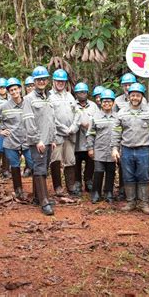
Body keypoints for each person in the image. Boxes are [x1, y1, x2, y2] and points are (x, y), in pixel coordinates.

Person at [111, 83, 149, 215]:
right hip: (126, 149)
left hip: (143, 149)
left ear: (142, 96)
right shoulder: (121, 113)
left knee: (143, 175)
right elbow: (116, 132)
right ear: (129, 96)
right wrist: (115, 148)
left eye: (138, 95)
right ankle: (131, 202)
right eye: (132, 95)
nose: (135, 98)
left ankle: (143, 203)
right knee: (128, 176)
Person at [23, 65, 56, 215]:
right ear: (34, 81)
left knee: (43, 168)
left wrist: (52, 138)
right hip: (38, 141)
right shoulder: (28, 99)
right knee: (40, 169)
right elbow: (29, 122)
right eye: (38, 79)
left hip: (48, 140)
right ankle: (44, 201)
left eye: (43, 79)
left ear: (47, 81)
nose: (41, 81)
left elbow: (51, 119)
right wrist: (37, 140)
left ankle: (38, 196)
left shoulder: (49, 97)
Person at [0, 77, 32, 200]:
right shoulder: (4, 106)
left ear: (20, 89)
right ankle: (18, 190)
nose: (14, 92)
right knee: (14, 165)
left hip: (27, 140)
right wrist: (0, 130)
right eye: (11, 90)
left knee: (33, 164)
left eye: (16, 89)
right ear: (8, 92)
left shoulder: (28, 103)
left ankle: (37, 192)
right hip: (11, 141)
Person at [49, 69, 80, 197]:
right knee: (55, 159)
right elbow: (50, 117)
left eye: (62, 81)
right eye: (58, 81)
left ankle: (71, 186)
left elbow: (77, 112)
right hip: (57, 134)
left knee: (70, 160)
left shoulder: (70, 95)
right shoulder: (49, 96)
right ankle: (58, 187)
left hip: (70, 134)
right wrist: (64, 129)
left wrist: (73, 127)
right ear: (54, 81)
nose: (60, 83)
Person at [87, 89, 117, 203]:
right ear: (101, 102)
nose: (107, 104)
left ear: (113, 103)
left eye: (109, 101)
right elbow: (90, 133)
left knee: (111, 171)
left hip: (112, 150)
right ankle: (96, 193)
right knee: (98, 171)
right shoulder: (95, 117)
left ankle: (108, 192)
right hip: (99, 149)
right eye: (104, 101)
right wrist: (90, 148)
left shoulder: (117, 117)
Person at [74, 82, 98, 195]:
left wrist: (91, 125)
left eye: (84, 92)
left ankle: (88, 181)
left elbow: (97, 120)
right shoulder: (72, 105)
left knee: (90, 162)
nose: (82, 94)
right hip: (76, 141)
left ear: (87, 93)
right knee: (76, 163)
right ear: (76, 94)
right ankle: (77, 182)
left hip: (90, 141)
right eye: (79, 92)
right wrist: (80, 123)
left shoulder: (93, 106)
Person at [22, 76, 35, 177]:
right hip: (25, 128)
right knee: (27, 149)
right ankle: (28, 167)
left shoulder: (40, 97)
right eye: (28, 86)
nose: (30, 88)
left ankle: (37, 168)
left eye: (32, 86)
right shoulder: (23, 99)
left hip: (37, 128)